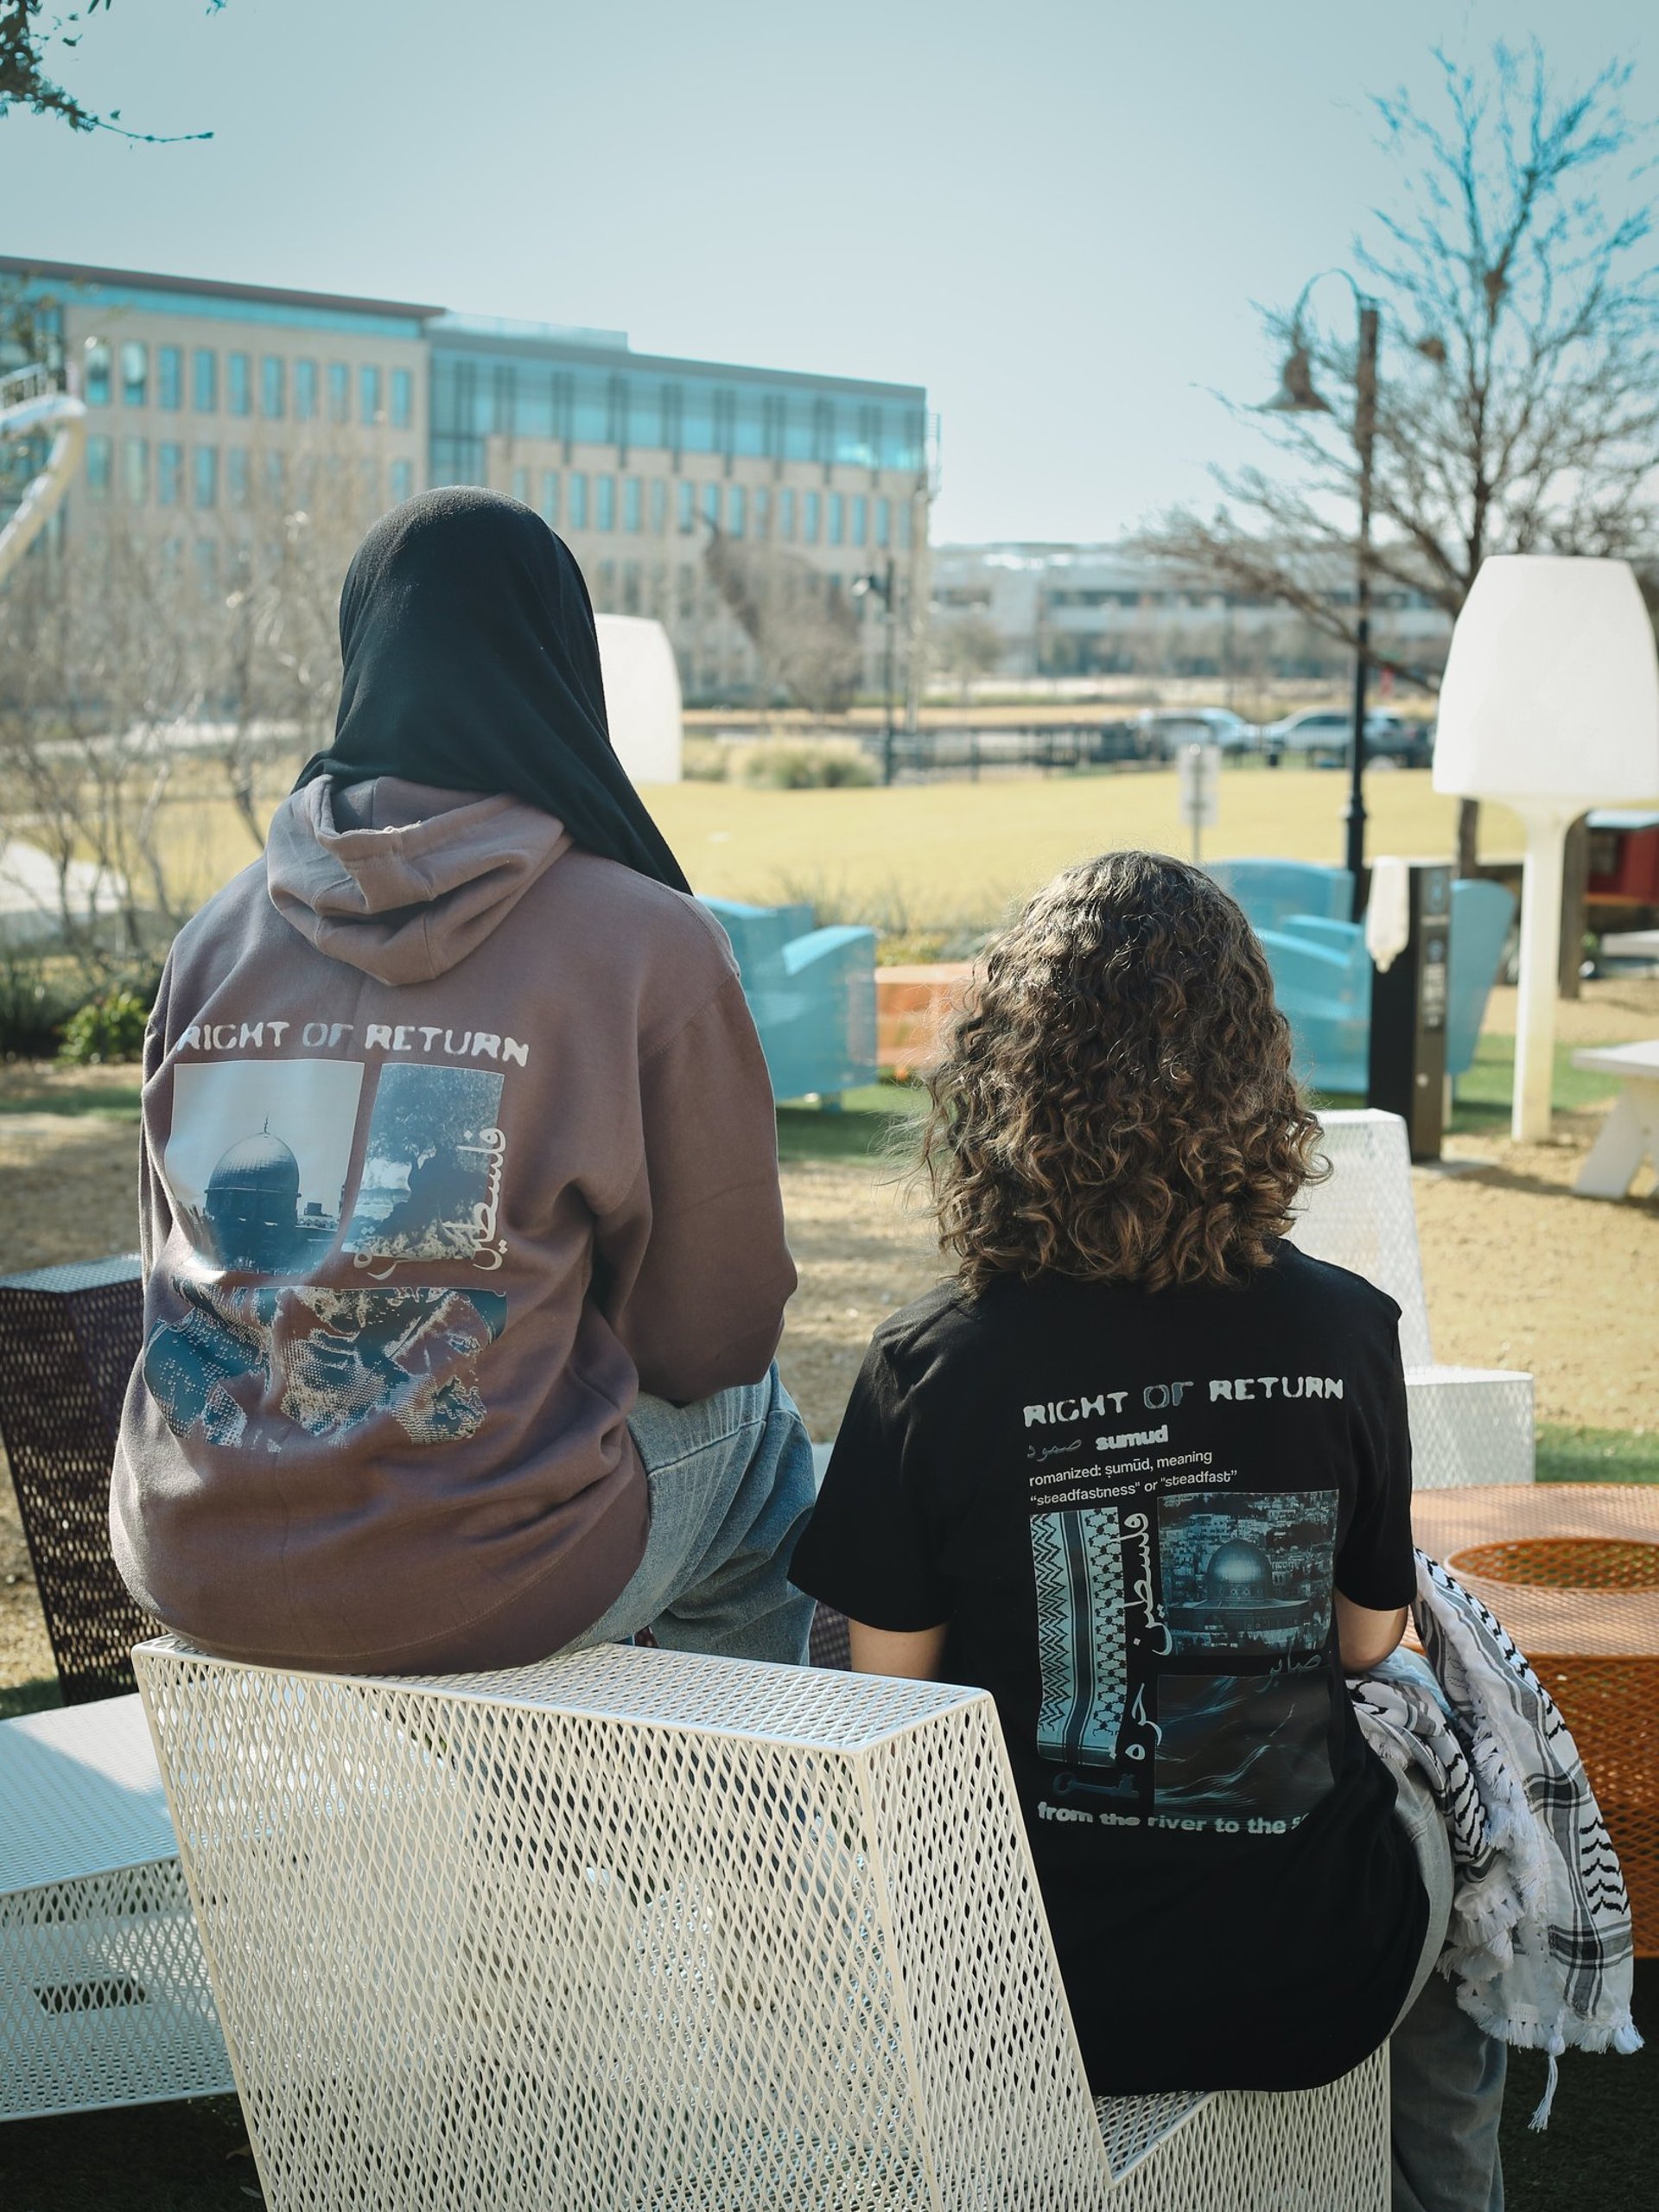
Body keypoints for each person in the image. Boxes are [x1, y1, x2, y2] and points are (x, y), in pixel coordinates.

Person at [789, 851, 1505, 2211]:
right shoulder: (1346, 1329)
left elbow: (888, 1711)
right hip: (1316, 1967)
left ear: (1004, 1084)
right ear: (1254, 1072)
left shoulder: (927, 1366)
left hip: (1023, 1996)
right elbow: (1370, 1642)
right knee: (1462, 1905)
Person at [112, 486, 815, 1677]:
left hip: (190, 1547)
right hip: (477, 1573)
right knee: (763, 1450)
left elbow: (173, 1270)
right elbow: (716, 1338)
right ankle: (745, 1837)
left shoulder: (214, 937)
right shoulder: (644, 941)